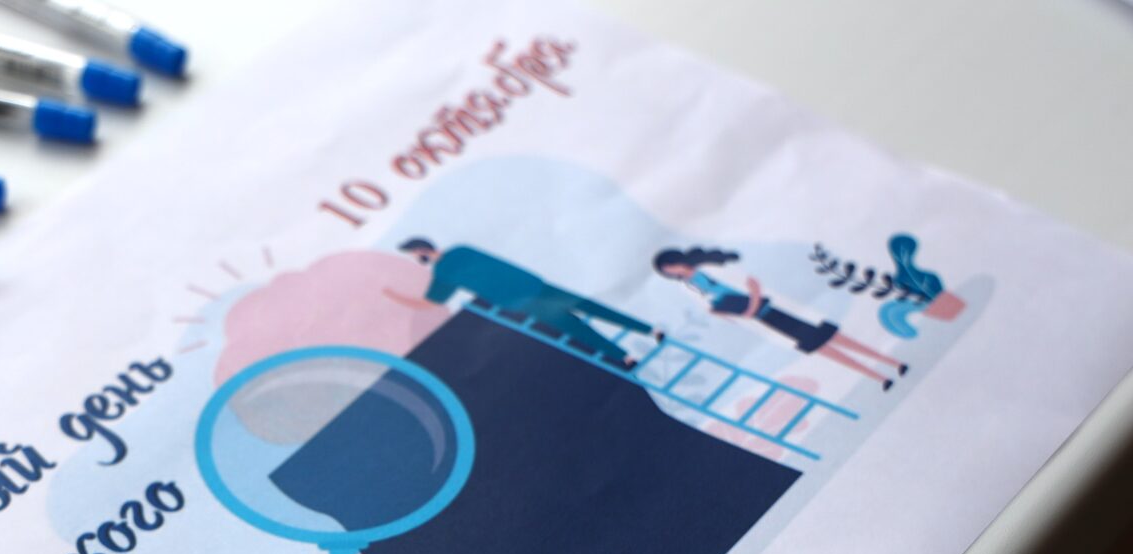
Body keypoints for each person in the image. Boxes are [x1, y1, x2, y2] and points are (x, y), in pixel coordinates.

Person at [653, 247, 908, 390]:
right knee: (822, 349)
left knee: (835, 339)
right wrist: (731, 314)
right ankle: (879, 377)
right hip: (759, 321)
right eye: (667, 271)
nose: (673, 271)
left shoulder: (709, 268)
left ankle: (893, 362)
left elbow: (750, 283)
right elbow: (708, 306)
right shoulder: (688, 287)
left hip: (774, 309)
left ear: (677, 260)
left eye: (671, 266)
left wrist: (751, 306)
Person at [388, 237, 659, 368]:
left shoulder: (446, 268)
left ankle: (629, 351)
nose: (416, 259)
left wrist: (393, 296)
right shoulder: (457, 254)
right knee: (584, 313)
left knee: (576, 323)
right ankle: (642, 337)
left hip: (519, 297)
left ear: (420, 251)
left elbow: (430, 302)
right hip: (528, 287)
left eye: (415, 255)